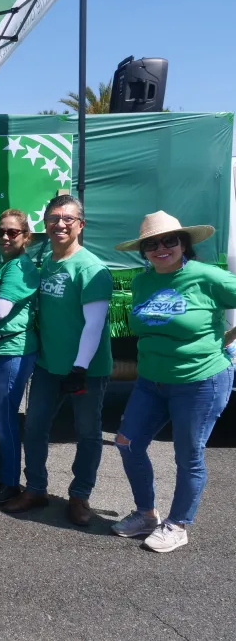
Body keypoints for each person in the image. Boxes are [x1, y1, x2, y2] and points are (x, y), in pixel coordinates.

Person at [109, 211, 234, 552]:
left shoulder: (206, 276)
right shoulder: (142, 282)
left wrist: (229, 340)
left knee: (188, 456)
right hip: (151, 381)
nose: (161, 248)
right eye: (152, 244)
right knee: (127, 443)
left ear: (184, 243)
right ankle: (146, 514)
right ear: (143, 251)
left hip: (200, 381)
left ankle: (178, 524)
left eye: (169, 240)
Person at [4, 195, 113, 526]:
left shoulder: (91, 269)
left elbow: (94, 325)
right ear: (45, 224)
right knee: (35, 427)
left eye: (68, 218)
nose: (60, 224)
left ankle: (80, 496)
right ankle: (36, 489)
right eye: (53, 218)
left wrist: (79, 368)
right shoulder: (48, 261)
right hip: (49, 365)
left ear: (81, 224)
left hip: (86, 370)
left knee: (87, 433)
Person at [0, 210, 40, 507]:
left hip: (12, 350)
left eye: (12, 232)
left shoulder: (19, 268)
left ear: (25, 236)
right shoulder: (6, 266)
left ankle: (10, 482)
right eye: (0, 231)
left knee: (4, 419)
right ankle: (0, 474)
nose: (4, 236)